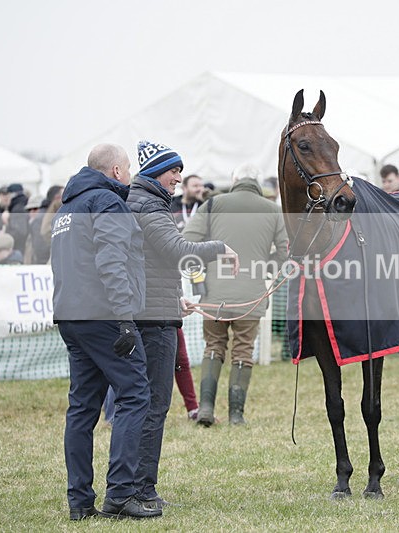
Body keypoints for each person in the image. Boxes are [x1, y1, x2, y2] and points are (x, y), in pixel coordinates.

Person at [50, 143, 160, 520]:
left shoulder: (67, 207)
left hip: (71, 315)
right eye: (128, 169)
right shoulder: (108, 203)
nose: (130, 176)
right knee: (135, 394)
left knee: (82, 408)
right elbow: (112, 261)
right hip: (103, 316)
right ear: (115, 171)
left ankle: (80, 502)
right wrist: (125, 317)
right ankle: (120, 495)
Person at [127, 140, 236, 507]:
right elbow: (177, 250)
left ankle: (135, 487)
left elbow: (151, 263)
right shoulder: (149, 206)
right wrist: (220, 247)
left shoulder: (145, 202)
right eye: (174, 170)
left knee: (146, 404)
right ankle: (141, 490)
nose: (178, 177)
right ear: (157, 171)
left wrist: (174, 298)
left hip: (154, 309)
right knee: (154, 405)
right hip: (153, 322)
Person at [183, 162, 288, 426]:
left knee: (213, 347)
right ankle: (236, 415)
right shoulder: (274, 210)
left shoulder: (213, 205)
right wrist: (265, 264)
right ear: (257, 183)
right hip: (251, 295)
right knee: (242, 351)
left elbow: (187, 242)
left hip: (214, 293)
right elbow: (288, 255)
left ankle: (205, 409)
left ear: (234, 180)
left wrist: (204, 271)